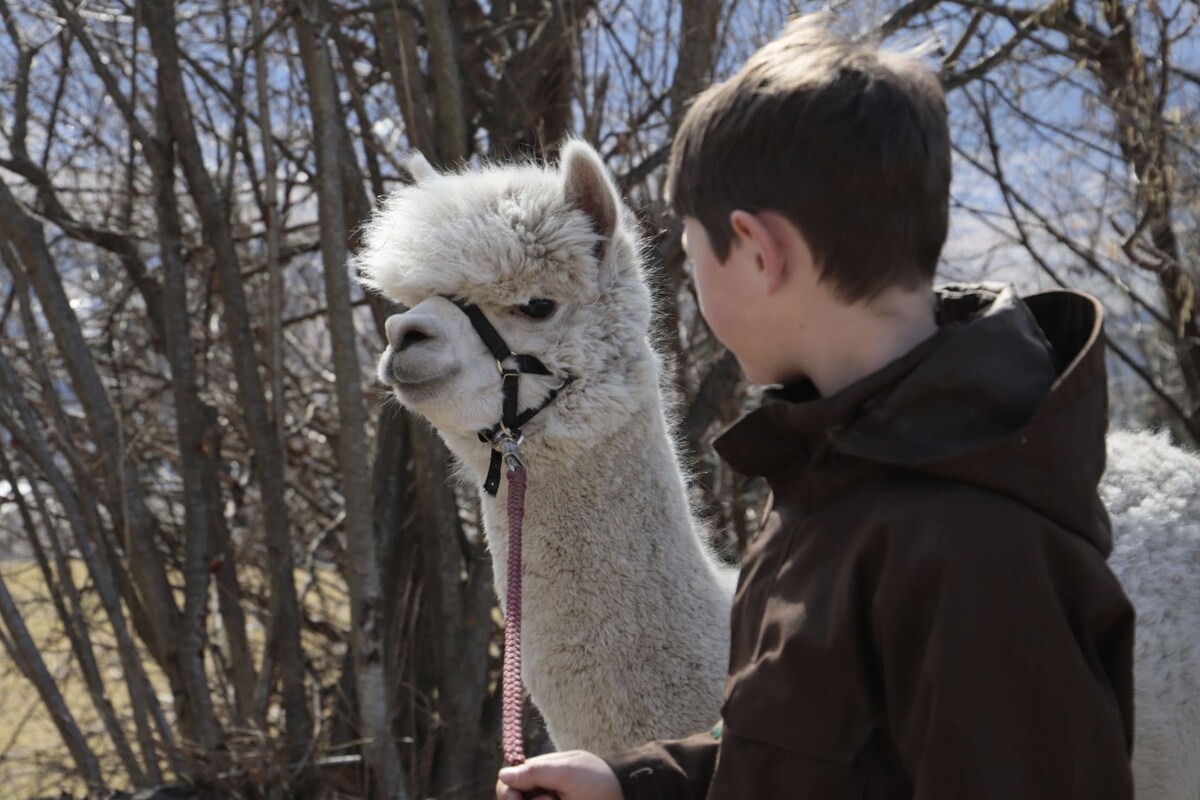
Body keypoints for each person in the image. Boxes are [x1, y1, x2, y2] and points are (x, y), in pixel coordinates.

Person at [497, 13, 1135, 800]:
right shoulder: (831, 472)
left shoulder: (976, 549)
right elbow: (805, 756)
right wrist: (635, 783)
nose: (693, 285)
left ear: (760, 253)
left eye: (693, 252)